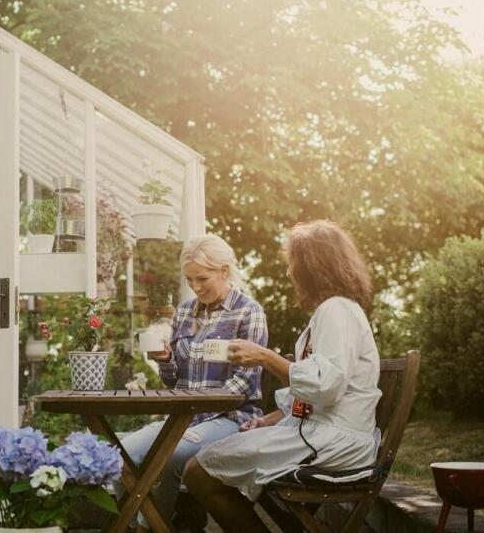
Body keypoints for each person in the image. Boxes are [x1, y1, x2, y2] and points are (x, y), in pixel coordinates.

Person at [183, 220, 382, 533]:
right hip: (321, 434)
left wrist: (264, 357)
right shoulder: (332, 311)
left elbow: (324, 386)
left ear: (311, 267)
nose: (290, 273)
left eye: (293, 264)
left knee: (198, 471)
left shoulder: (337, 311)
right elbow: (316, 394)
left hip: (333, 442)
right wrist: (267, 421)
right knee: (208, 465)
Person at [117, 233, 268, 532]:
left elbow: (245, 386)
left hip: (230, 418)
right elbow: (175, 380)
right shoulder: (185, 311)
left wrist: (194, 415)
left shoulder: (249, 313)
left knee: (171, 456)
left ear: (224, 271)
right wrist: (164, 359)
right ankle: (137, 523)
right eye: (190, 280)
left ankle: (150, 527)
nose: (196, 287)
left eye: (203, 278)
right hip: (184, 419)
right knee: (119, 455)